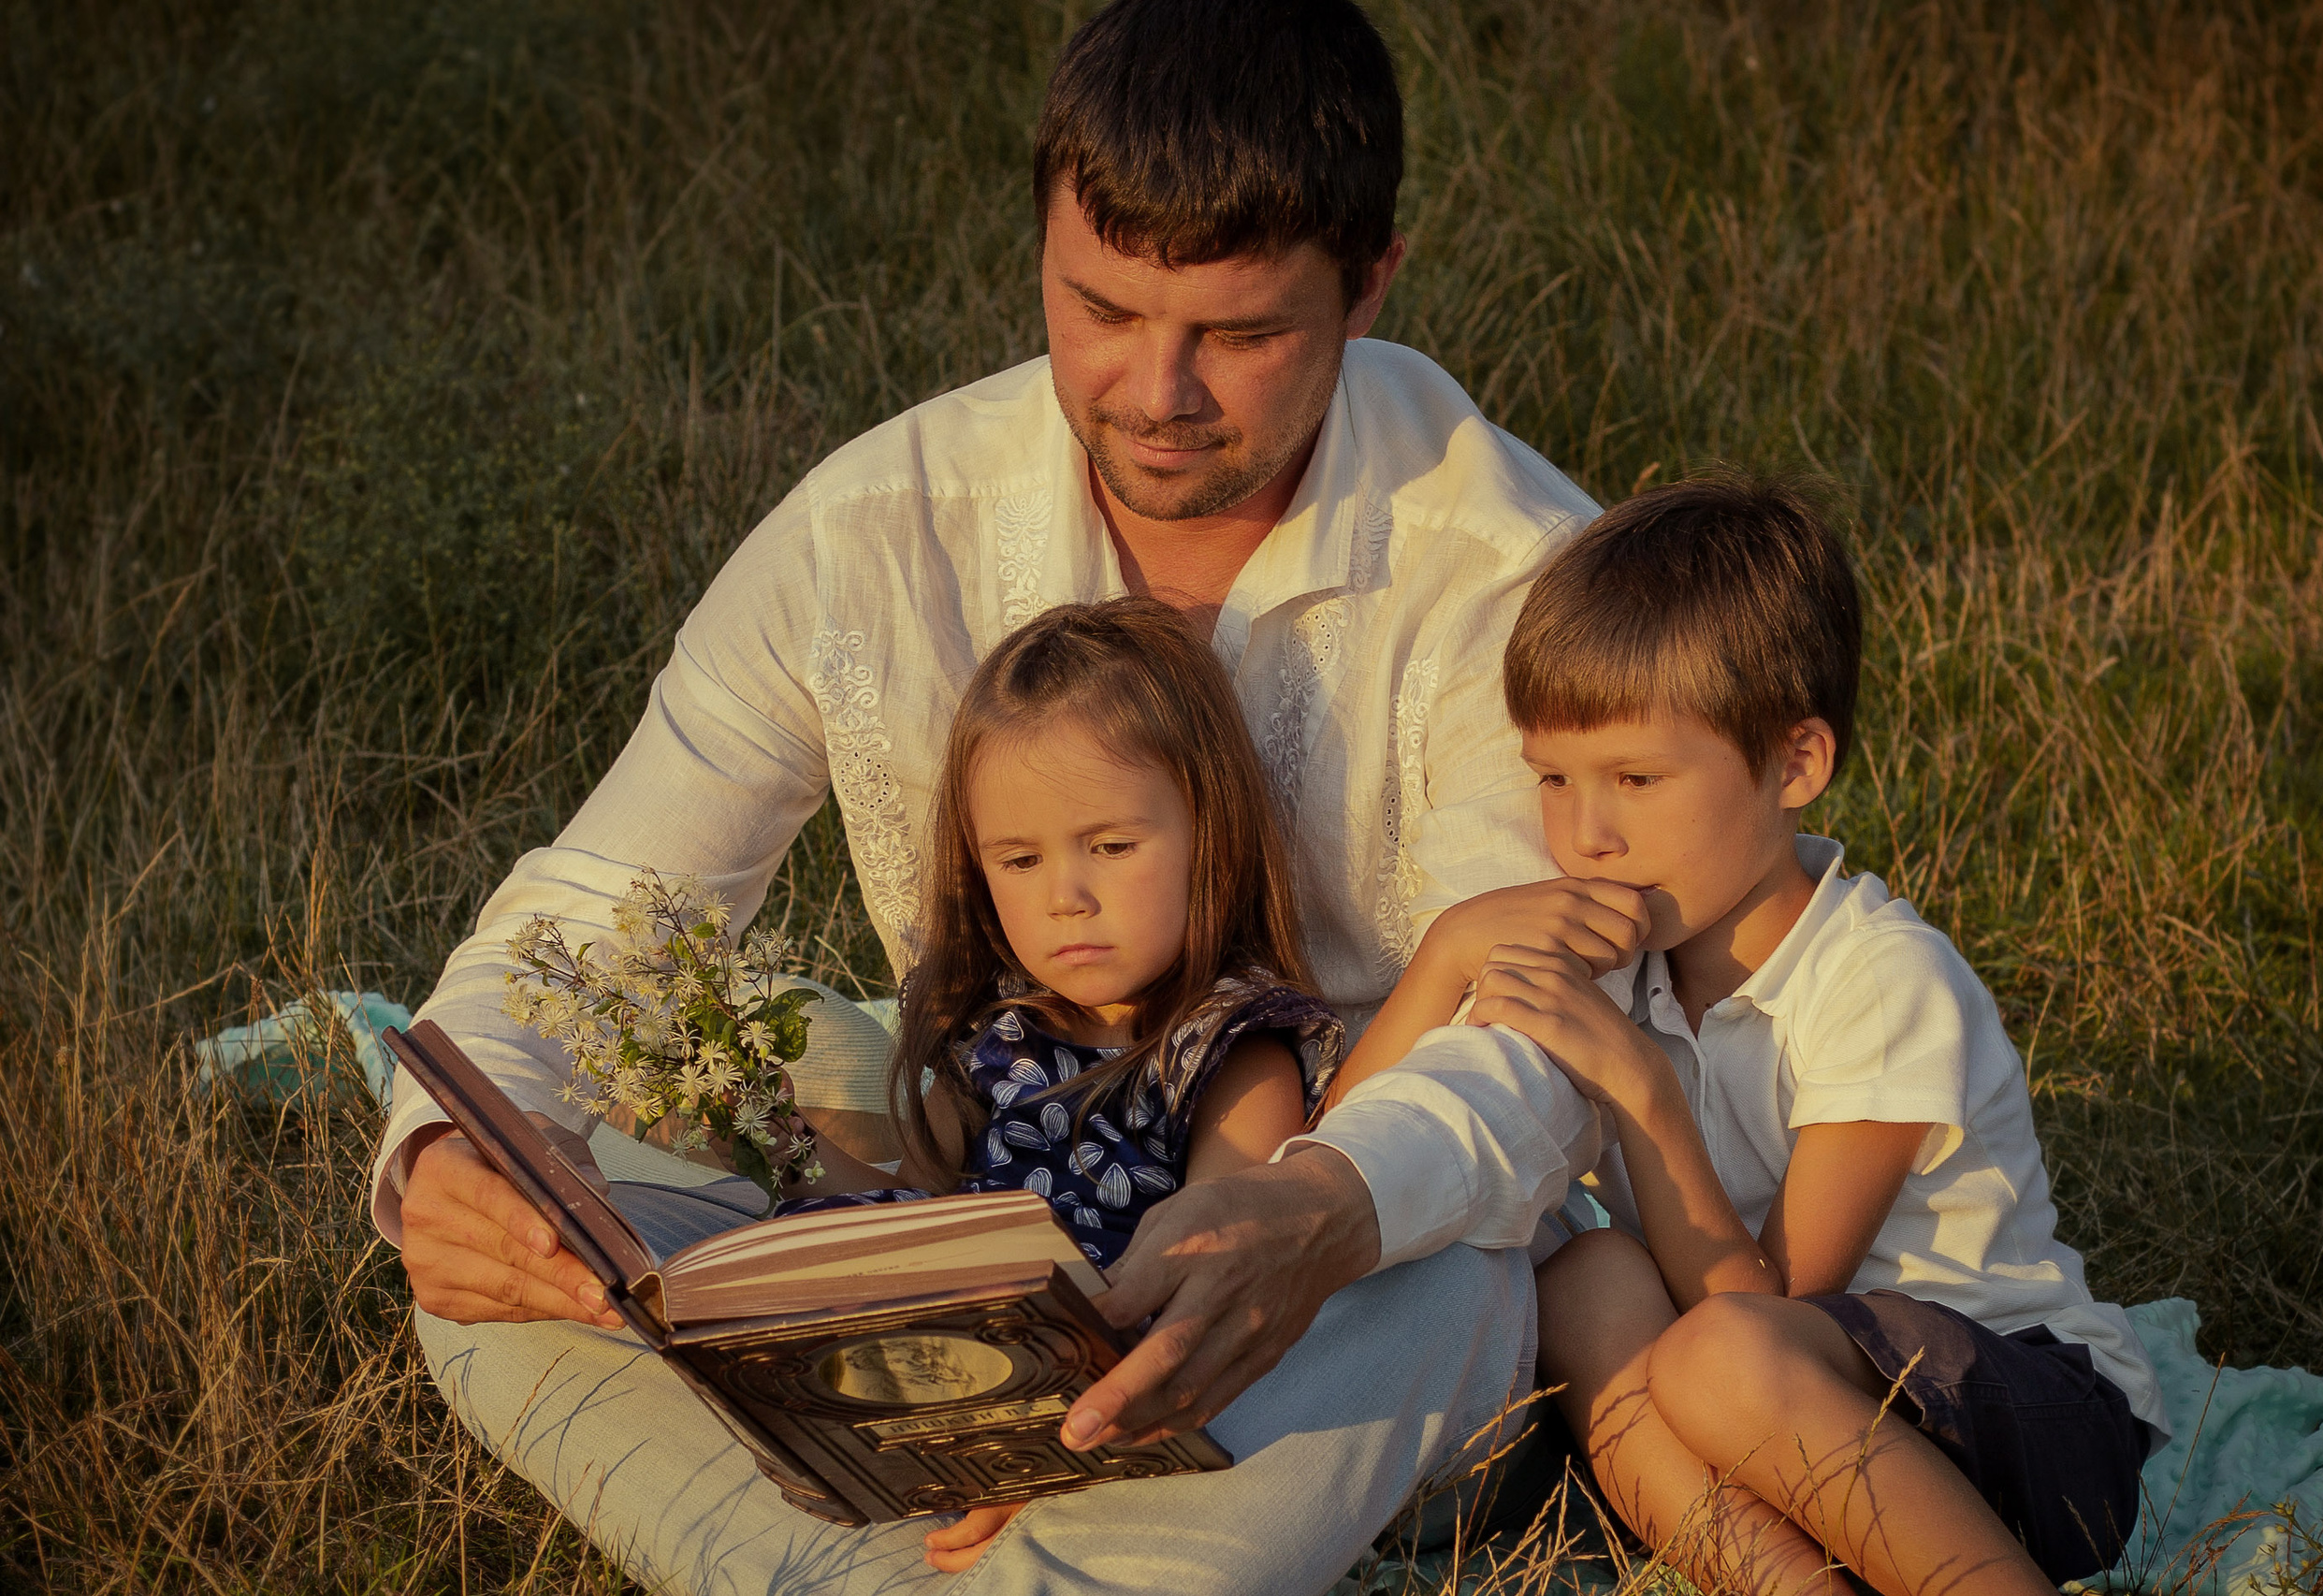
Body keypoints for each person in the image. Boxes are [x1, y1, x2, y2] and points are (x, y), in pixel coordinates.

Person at [377, 2, 1617, 1590]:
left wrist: (1321, 1210)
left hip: (1330, 1266)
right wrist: (441, 1160)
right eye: (1098, 308)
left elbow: (1540, 1045)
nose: (1156, 389)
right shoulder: (871, 530)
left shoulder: (1514, 570)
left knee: (1449, 1281)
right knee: (516, 1271)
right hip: (974, 1225)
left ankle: (919, 1557)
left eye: (1239, 335)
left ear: (1371, 281)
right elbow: (600, 912)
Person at [1339, 475, 2169, 1593]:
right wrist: (1443, 956)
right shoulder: (1610, 957)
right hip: (1761, 1425)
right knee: (1585, 1281)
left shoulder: (1879, 976)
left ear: (1795, 763)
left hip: (2026, 1433)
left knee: (1721, 1349)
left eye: (1637, 778)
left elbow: (1768, 1304)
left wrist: (1639, 1087)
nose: (1585, 832)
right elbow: (1346, 1149)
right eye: (1551, 777)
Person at [776, 598, 1343, 1569]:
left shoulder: (1234, 1045)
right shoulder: (995, 1030)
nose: (1063, 895)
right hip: (968, 1360)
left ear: (1213, 832)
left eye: (1112, 847)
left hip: (1125, 1383)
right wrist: (764, 1135)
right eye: (1020, 858)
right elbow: (917, 1207)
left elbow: (1212, 1265)